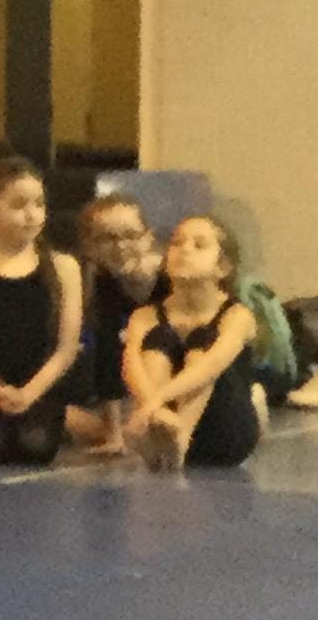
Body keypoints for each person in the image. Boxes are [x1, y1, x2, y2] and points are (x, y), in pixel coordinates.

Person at [0, 154, 83, 466]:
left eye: (39, 204)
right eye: (19, 205)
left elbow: (66, 348)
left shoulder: (63, 267)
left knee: (35, 446)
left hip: (40, 386)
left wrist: (28, 395)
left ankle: (71, 421)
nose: (32, 215)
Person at [125, 214, 263, 470]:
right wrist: (153, 409)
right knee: (159, 338)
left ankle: (181, 438)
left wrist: (155, 402)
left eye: (199, 245)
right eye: (177, 243)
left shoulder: (237, 315)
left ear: (222, 267)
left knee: (203, 339)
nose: (184, 250)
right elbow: (131, 367)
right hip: (162, 422)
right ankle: (161, 439)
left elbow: (212, 365)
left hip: (223, 433)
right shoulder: (145, 315)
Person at [65, 193, 164, 452]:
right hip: (131, 386)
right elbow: (106, 360)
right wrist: (114, 435)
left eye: (130, 235)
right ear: (89, 246)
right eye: (107, 238)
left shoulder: (171, 280)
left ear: (148, 237)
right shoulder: (102, 283)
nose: (120, 246)